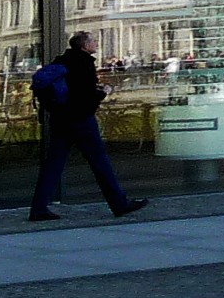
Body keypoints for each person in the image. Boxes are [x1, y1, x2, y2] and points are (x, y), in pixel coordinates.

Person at [29, 32, 147, 221]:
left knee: (53, 164)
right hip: (80, 120)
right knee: (100, 162)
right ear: (84, 46)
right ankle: (120, 203)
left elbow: (71, 90)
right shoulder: (83, 63)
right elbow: (83, 97)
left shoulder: (62, 61)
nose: (96, 43)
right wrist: (102, 93)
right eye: (93, 41)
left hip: (60, 119)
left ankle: (38, 207)